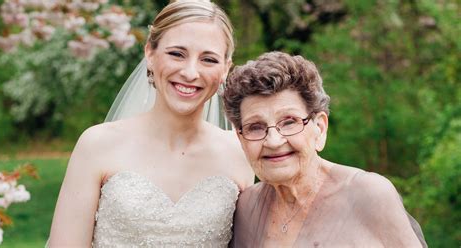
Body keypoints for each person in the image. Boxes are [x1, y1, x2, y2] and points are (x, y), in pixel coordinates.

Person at [48, 0, 254, 246]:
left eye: (208, 59)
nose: (190, 73)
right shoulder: (97, 145)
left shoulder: (240, 152)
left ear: (225, 69)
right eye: (177, 54)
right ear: (150, 53)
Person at [223, 51, 427, 247]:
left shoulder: (369, 194)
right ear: (241, 139)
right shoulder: (245, 209)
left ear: (319, 128)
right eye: (255, 127)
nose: (274, 141)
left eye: (289, 122)